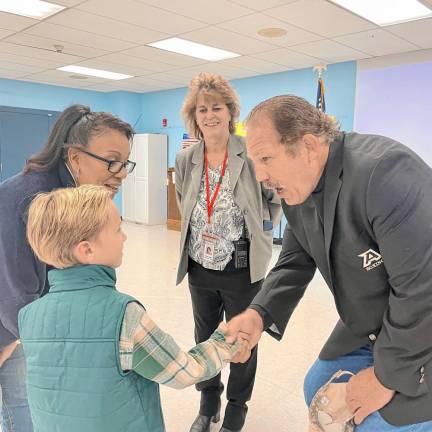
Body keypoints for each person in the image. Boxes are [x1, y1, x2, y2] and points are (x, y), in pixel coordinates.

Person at [226, 95, 432, 431]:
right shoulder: (298, 189)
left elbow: (423, 291)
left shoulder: (385, 173)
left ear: (308, 145)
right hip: (372, 321)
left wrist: (384, 379)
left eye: (265, 158)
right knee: (316, 386)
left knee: (375, 421)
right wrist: (257, 315)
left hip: (423, 327)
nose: (260, 174)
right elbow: (293, 264)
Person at [18, 185, 240, 432]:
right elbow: (183, 372)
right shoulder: (123, 316)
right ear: (86, 249)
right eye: (117, 229)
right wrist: (225, 343)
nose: (124, 237)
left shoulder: (28, 317)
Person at [0, 104, 135, 432]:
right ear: (75, 157)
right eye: (111, 160)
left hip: (26, 327)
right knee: (23, 406)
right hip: (12, 328)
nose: (121, 173)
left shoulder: (72, 196)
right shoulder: (29, 199)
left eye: (126, 163)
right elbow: (14, 295)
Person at [175, 73, 281, 432]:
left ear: (230, 111)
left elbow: (273, 196)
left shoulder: (248, 153)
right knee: (205, 338)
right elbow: (183, 201)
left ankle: (236, 408)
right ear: (194, 115)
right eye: (202, 109)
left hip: (241, 268)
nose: (209, 115)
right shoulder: (187, 159)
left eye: (216, 107)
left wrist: (264, 230)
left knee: (241, 341)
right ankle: (208, 404)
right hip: (199, 266)